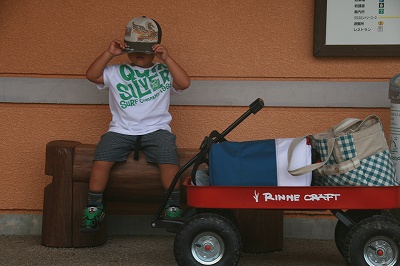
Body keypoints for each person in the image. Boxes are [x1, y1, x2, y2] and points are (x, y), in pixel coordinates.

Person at [81, 16, 190, 232]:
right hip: (121, 130)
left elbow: (184, 83)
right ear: (126, 47)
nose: (140, 53)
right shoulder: (115, 72)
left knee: (169, 161)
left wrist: (167, 59)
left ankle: (172, 206)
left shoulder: (163, 72)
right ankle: (94, 207)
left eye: (147, 49)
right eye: (134, 47)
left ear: (156, 49)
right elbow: (91, 75)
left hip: (156, 130)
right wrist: (109, 54)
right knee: (100, 162)